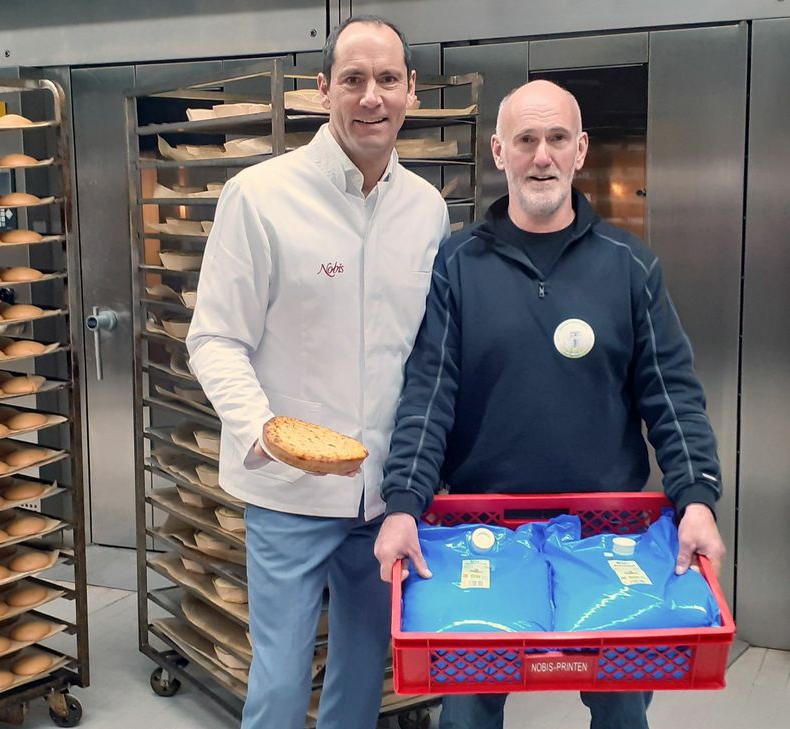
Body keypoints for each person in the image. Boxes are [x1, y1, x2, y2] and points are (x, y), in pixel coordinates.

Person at [374, 79, 726, 729]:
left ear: (580, 150)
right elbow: (429, 395)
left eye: (557, 138)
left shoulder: (628, 266)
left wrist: (697, 496)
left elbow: (670, 393)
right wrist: (403, 504)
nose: (542, 155)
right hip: (480, 528)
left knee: (621, 711)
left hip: (605, 530)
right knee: (469, 711)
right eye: (527, 140)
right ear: (500, 152)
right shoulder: (458, 265)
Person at [186, 15, 449, 729]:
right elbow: (213, 338)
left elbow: (424, 351)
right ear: (321, 89)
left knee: (362, 674)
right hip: (288, 493)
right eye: (354, 79)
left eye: (387, 80)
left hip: (384, 493)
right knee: (276, 683)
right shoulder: (260, 195)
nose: (372, 97)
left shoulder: (426, 210)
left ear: (411, 92)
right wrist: (263, 430)